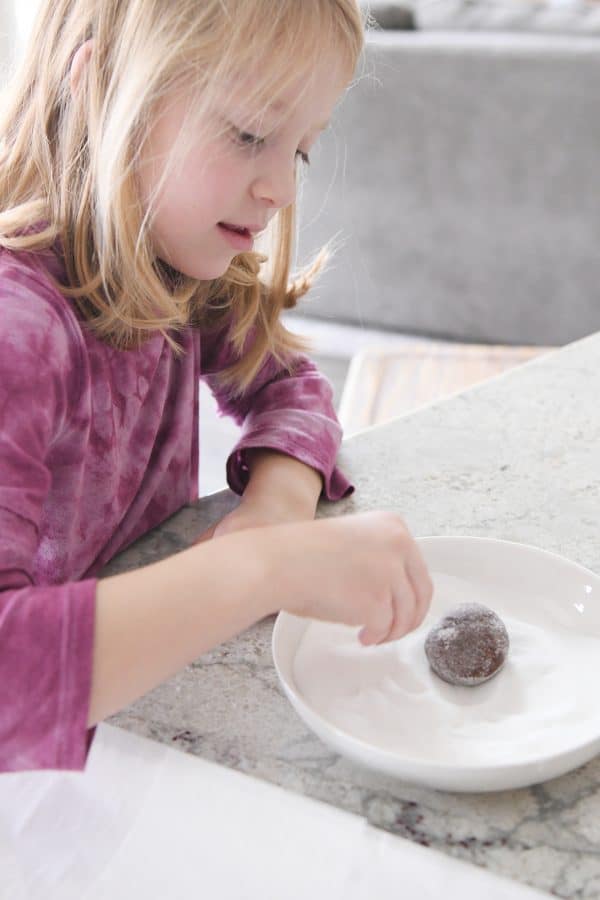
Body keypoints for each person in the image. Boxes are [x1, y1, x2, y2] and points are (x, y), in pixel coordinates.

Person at [0, 0, 433, 773]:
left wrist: (278, 508)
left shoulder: (172, 258)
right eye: (248, 134)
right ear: (101, 93)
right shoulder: (15, 330)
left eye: (300, 150)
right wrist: (261, 570)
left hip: (136, 727)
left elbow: (293, 384)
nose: (281, 191)